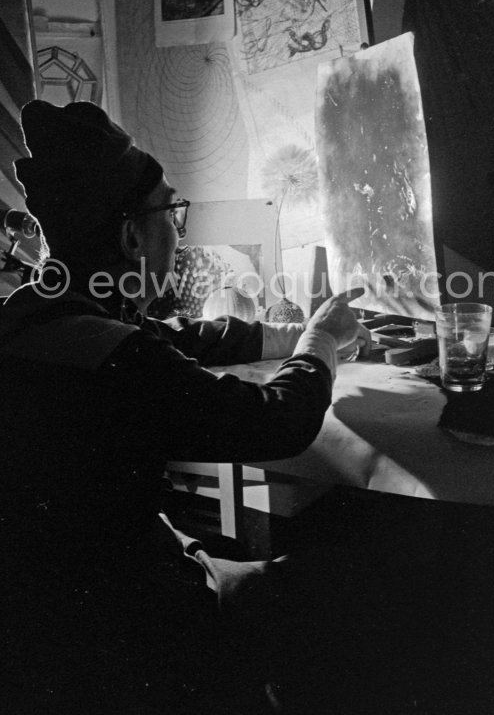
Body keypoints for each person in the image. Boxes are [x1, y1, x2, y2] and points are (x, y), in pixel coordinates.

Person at [0, 101, 427, 715]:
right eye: (171, 212)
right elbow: (277, 420)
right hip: (123, 626)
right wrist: (322, 343)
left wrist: (293, 333)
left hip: (49, 616)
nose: (179, 228)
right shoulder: (116, 358)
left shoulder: (36, 315)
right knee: (350, 579)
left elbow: (176, 337)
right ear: (129, 235)